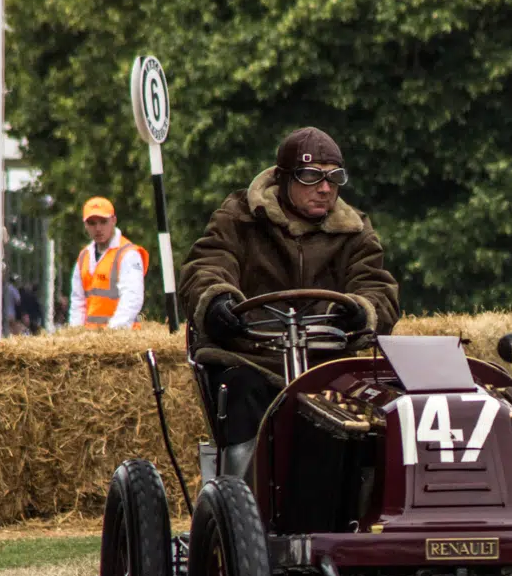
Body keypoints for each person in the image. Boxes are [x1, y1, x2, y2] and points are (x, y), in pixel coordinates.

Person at [178, 126, 401, 477]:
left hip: (325, 361)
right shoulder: (238, 217)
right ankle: (245, 501)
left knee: (377, 404)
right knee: (241, 389)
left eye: (334, 178)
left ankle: (355, 503)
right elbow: (208, 264)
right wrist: (217, 300)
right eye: (311, 176)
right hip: (249, 356)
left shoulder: (355, 231)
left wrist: (361, 311)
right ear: (283, 179)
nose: (325, 188)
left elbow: (376, 286)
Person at [69, 197, 148, 330]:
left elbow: (132, 298)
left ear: (113, 221)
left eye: (103, 222)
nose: (98, 228)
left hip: (123, 338)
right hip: (89, 340)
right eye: (92, 223)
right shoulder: (84, 256)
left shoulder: (128, 254)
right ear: (85, 226)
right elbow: (78, 302)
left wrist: (112, 333)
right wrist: (75, 334)